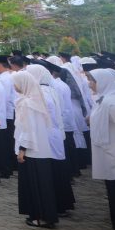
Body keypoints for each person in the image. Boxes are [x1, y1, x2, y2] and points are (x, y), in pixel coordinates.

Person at [13, 70, 58, 229]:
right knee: (42, 184)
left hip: (32, 149)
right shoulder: (34, 99)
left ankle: (42, 217)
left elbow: (28, 129)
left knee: (37, 185)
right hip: (41, 148)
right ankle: (43, 215)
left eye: (16, 83)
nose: (14, 86)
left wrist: (22, 149)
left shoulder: (27, 103)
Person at [29, 63, 75, 216]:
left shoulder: (41, 93)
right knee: (57, 169)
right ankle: (62, 204)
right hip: (54, 134)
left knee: (51, 172)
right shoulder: (50, 90)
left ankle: (56, 206)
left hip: (47, 135)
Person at [88, 68, 115, 230]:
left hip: (114, 153)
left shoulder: (111, 102)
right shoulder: (104, 100)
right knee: (112, 190)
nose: (89, 84)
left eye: (92, 81)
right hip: (108, 153)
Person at [0, 55, 16, 179]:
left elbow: (4, 99)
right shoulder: (7, 77)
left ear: (0, 65)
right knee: (7, 142)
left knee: (4, 143)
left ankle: (6, 169)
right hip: (7, 114)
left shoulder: (4, 79)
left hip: (6, 114)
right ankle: (7, 167)